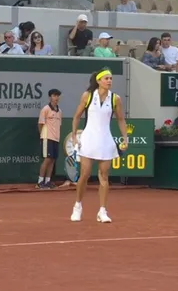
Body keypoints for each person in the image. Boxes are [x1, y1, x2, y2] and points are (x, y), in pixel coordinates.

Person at [69, 68, 128, 223]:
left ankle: (102, 211)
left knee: (104, 176)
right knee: (85, 174)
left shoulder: (116, 99)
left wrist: (125, 137)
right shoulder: (87, 96)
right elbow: (76, 117)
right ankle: (78, 206)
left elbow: (121, 119)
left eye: (111, 78)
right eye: (106, 78)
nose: (109, 81)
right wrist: (74, 136)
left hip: (105, 141)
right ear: (99, 81)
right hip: (88, 139)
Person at [37, 89, 62, 189]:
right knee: (47, 159)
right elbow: (40, 124)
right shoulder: (45, 109)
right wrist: (42, 135)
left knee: (53, 160)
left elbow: (59, 125)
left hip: (56, 138)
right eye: (54, 95)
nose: (56, 98)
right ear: (50, 97)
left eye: (57, 96)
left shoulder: (60, 111)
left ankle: (48, 181)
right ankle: (40, 181)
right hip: (47, 137)